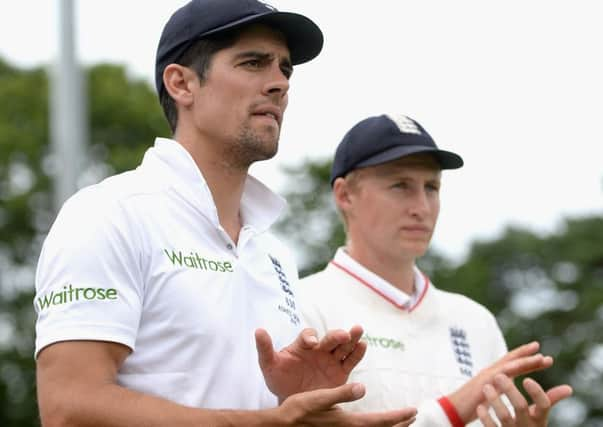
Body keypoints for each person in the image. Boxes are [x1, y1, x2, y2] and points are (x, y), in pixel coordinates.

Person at [33, 2, 417, 426]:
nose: (279, 84)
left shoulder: (275, 255)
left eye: (285, 69)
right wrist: (267, 423)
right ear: (182, 83)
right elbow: (68, 408)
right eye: (253, 63)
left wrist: (298, 400)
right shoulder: (108, 214)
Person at [297, 113, 573, 426]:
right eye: (401, 185)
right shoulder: (302, 306)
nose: (422, 207)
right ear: (345, 195)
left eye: (431, 187)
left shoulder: (475, 321)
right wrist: (451, 411)